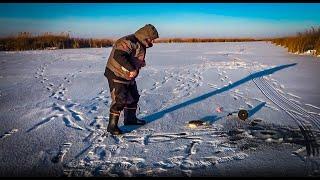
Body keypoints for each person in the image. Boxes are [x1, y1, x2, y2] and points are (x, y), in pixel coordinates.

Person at [104, 24, 159, 135]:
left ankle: (130, 119)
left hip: (128, 75)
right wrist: (132, 68)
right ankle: (112, 126)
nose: (153, 42)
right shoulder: (128, 41)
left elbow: (134, 56)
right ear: (145, 36)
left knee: (133, 97)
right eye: (152, 39)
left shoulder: (140, 43)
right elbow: (118, 56)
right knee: (120, 100)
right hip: (117, 74)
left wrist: (138, 64)